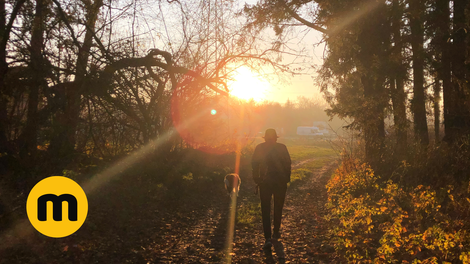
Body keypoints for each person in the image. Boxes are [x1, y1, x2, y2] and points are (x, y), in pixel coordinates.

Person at [252, 128, 291, 250]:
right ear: (276, 137)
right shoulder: (282, 147)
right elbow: (288, 164)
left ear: (265, 137)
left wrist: (257, 179)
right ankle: (275, 233)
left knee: (265, 209)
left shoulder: (260, 148)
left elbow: (254, 164)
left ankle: (268, 237)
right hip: (279, 183)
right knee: (278, 207)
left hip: (265, 183)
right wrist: (286, 178)